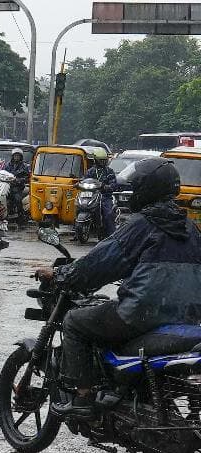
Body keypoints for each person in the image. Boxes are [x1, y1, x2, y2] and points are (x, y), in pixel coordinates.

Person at [37, 157, 201, 419]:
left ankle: (83, 398)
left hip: (141, 314)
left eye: (135, 187)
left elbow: (99, 263)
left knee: (75, 322)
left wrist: (61, 275)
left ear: (146, 190)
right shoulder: (190, 228)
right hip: (187, 319)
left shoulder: (142, 225)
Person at [84, 152, 119, 238]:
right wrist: (78, 184)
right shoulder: (90, 171)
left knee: (108, 214)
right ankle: (77, 231)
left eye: (104, 160)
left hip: (105, 196)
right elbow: (84, 180)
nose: (103, 162)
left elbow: (113, 185)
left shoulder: (109, 171)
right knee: (80, 206)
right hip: (91, 195)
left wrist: (106, 186)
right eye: (101, 160)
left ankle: (112, 235)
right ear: (96, 160)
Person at [6, 150, 30, 221]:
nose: (16, 157)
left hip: (19, 187)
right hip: (8, 186)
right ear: (12, 156)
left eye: (18, 156)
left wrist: (18, 180)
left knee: (17, 198)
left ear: (21, 157)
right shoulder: (8, 165)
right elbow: (4, 173)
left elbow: (27, 177)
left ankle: (21, 215)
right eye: (15, 155)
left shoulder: (24, 166)